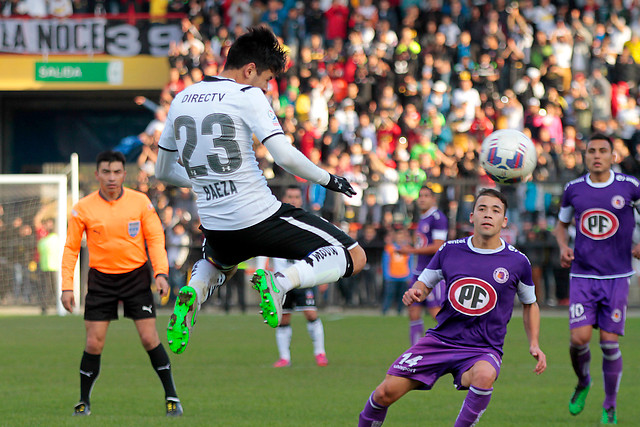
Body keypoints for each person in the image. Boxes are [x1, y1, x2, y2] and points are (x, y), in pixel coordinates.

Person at [155, 25, 366, 355]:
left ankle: (194, 291)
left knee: (221, 264)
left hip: (215, 224)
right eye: (267, 79)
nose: (268, 88)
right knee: (355, 255)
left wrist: (205, 182)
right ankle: (279, 283)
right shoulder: (246, 94)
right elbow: (284, 155)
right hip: (258, 215)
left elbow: (163, 171)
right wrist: (329, 179)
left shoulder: (181, 98)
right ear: (250, 69)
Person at [358, 188, 546, 426]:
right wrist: (416, 291)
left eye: (495, 210)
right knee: (384, 393)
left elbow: (530, 304)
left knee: (485, 375)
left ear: (504, 220)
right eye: (482, 209)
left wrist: (534, 343)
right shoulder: (450, 250)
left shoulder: (517, 261)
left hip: (482, 348)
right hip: (441, 340)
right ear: (472, 216)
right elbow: (424, 283)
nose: (488, 215)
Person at [60, 151, 182, 417]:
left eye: (117, 172)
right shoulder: (83, 207)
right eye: (106, 172)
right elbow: (71, 249)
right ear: (97, 175)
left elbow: (155, 240)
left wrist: (161, 273)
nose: (112, 177)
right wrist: (67, 286)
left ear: (124, 175)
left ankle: (172, 396)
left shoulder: (140, 202)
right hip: (101, 279)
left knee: (150, 338)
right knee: (94, 343)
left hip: (135, 277)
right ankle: (83, 402)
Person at [553, 133, 640, 425]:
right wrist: (564, 247)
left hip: (617, 277)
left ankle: (610, 404)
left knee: (608, 343)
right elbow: (560, 226)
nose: (597, 155)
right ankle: (583, 381)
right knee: (579, 339)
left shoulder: (630, 187)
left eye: (603, 150)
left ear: (613, 156)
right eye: (591, 151)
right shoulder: (574, 189)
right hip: (583, 275)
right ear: (585, 156)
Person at [267, 186, 328, 368]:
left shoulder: (310, 222)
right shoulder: (274, 223)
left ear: (302, 200)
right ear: (284, 198)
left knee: (310, 313)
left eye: (296, 197)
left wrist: (323, 276)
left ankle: (320, 353)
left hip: (303, 277)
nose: (293, 200)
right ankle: (284, 357)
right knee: (283, 318)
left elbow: (321, 251)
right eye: (290, 196)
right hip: (280, 279)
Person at [397, 186, 448, 345]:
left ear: (434, 199)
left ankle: (452, 345)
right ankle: (416, 351)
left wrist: (411, 250)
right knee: (413, 310)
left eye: (426, 195)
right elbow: (423, 242)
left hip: (433, 273)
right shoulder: (424, 217)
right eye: (420, 195)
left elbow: (438, 247)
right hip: (418, 271)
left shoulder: (438, 218)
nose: (422, 199)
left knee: (436, 313)